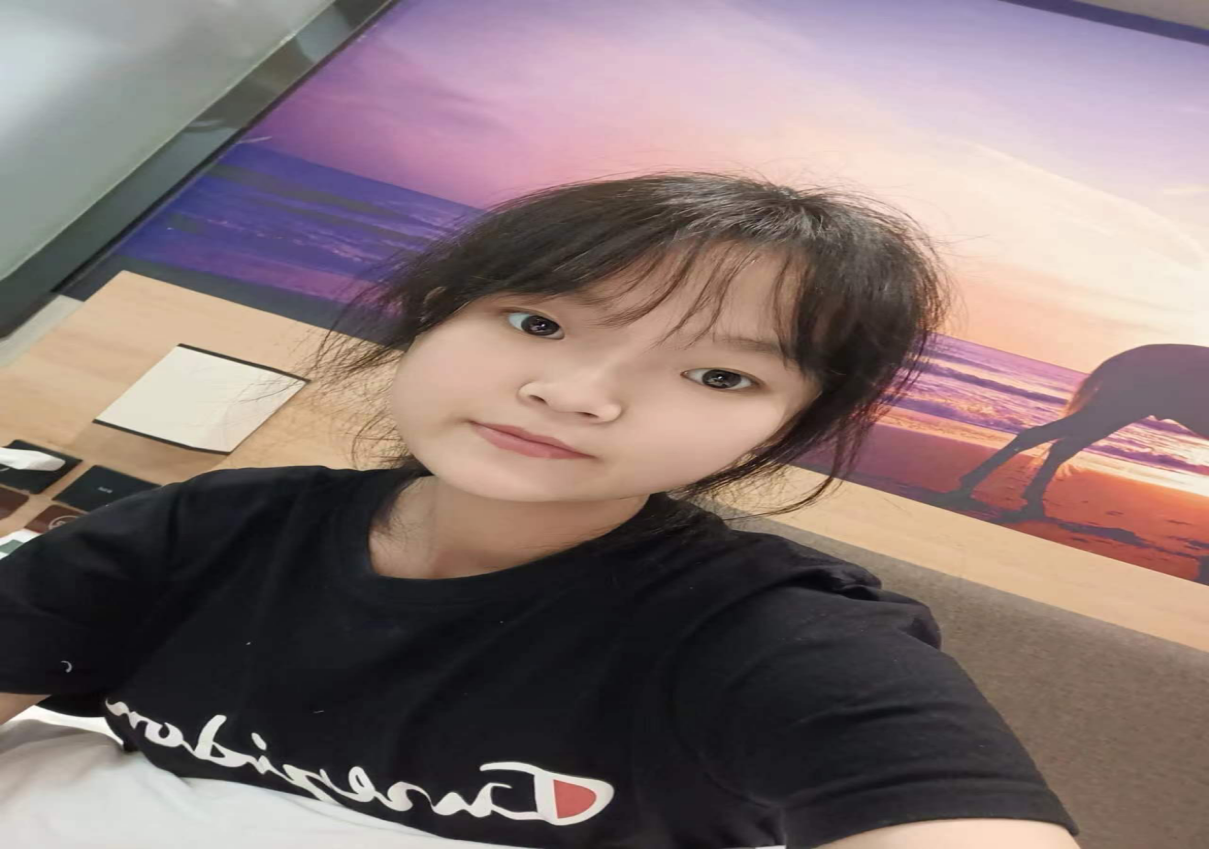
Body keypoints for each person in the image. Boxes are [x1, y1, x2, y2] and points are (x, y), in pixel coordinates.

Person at [0, 173, 1081, 848]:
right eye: (537, 323)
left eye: (719, 376)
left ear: (777, 431)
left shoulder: (774, 636)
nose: (578, 394)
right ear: (432, 317)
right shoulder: (210, 530)